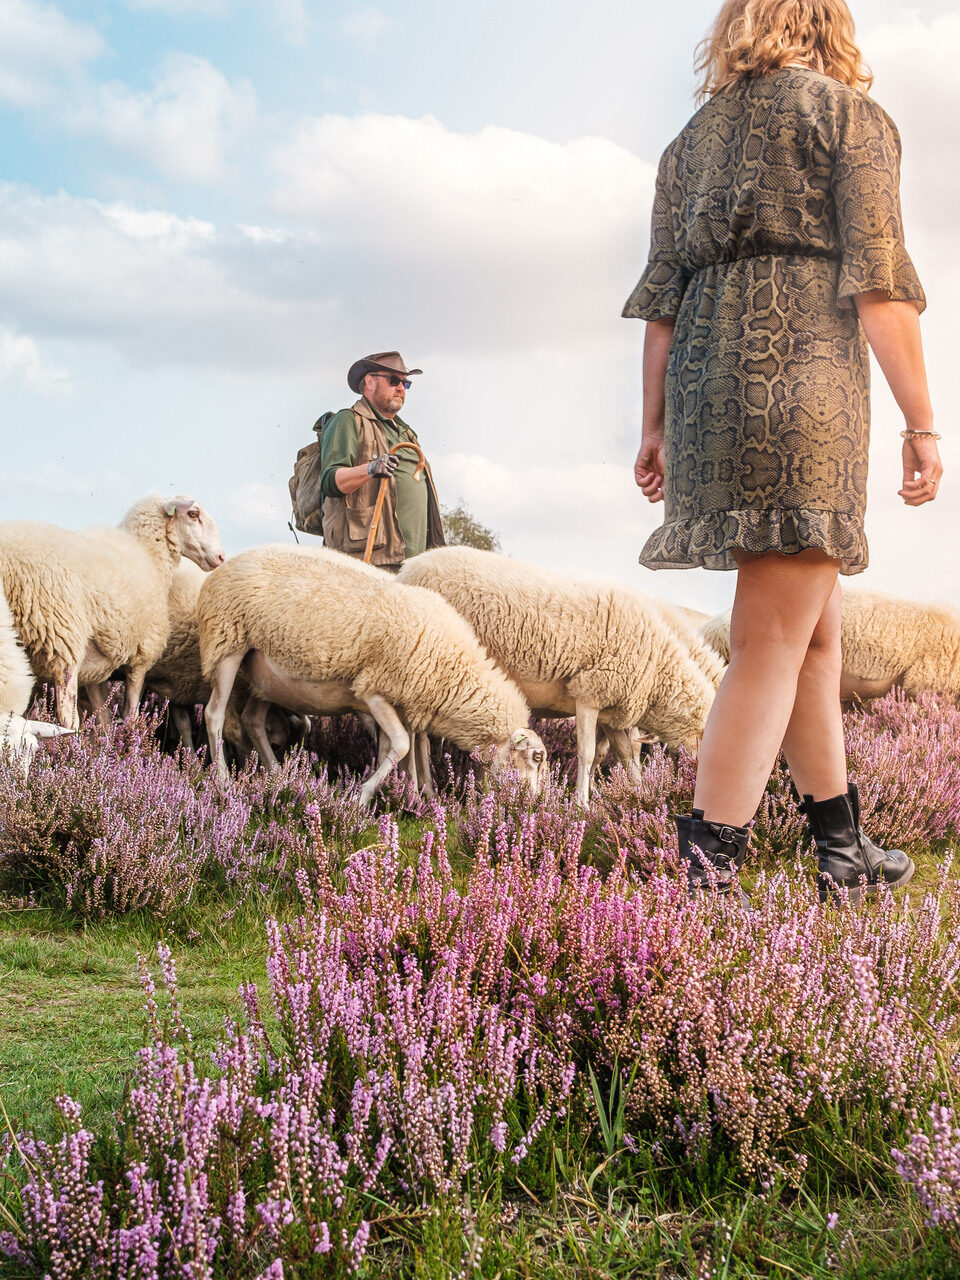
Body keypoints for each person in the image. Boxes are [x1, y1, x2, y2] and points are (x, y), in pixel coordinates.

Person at [626, 0, 941, 903]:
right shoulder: (846, 116)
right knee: (771, 638)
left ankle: (841, 850)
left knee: (813, 635)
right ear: (826, 24)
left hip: (704, 397)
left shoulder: (689, 145)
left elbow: (661, 304)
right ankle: (704, 872)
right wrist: (923, 424)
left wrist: (651, 426)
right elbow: (881, 285)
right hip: (803, 391)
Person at [319, 351, 445, 569]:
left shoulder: (407, 433)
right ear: (369, 382)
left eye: (405, 384)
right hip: (370, 563)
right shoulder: (348, 421)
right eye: (394, 380)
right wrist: (370, 469)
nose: (400, 388)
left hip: (416, 565)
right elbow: (330, 481)